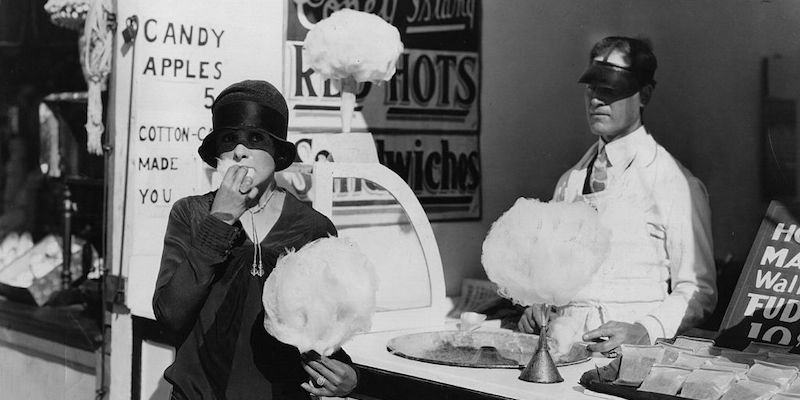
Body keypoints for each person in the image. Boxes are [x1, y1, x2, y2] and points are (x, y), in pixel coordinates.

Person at [153, 80, 358, 400]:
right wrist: (220, 221)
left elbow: (322, 332)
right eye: (229, 138)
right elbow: (170, 315)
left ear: (277, 151)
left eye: (256, 138)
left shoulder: (312, 227)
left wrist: (345, 375)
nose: (239, 149)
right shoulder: (192, 214)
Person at [518, 37, 716, 353]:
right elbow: (555, 272)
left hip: (629, 356)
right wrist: (539, 305)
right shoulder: (570, 182)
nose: (597, 99)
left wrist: (645, 330)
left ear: (645, 94)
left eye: (612, 88)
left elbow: (698, 291)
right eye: (592, 88)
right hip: (563, 347)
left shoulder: (674, 183)